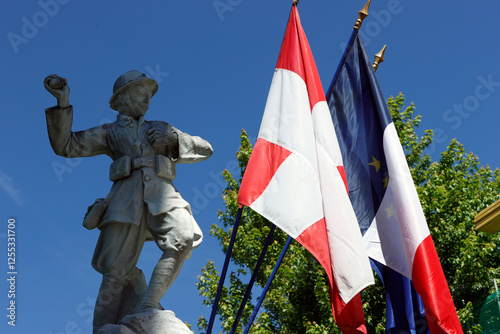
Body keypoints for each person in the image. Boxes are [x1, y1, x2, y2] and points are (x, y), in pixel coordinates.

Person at [44, 70, 213, 331]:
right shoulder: (110, 131)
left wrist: (175, 139)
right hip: (125, 202)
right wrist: (63, 102)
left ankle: (147, 306)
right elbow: (66, 145)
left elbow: (206, 148)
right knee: (116, 273)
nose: (147, 101)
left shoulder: (160, 128)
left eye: (148, 96)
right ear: (121, 99)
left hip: (162, 196)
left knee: (183, 237)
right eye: (140, 94)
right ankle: (102, 329)